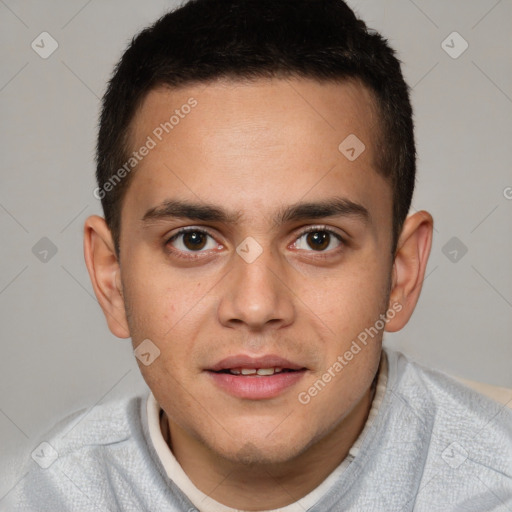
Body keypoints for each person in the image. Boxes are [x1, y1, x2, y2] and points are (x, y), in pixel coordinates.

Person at [10, 0, 512, 510]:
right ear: (111, 278)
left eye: (318, 239)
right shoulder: (44, 494)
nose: (255, 306)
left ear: (401, 274)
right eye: (193, 240)